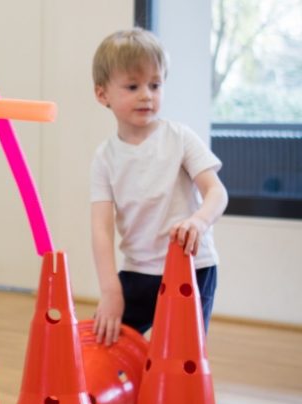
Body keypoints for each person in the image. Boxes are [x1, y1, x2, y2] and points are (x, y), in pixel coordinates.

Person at [89, 28, 229, 345]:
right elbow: (101, 228)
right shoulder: (104, 158)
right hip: (138, 272)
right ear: (102, 95)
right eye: (133, 86)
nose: (146, 95)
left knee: (181, 356)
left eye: (155, 85)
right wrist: (110, 291)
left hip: (193, 269)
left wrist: (199, 221)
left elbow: (216, 192)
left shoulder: (179, 137)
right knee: (104, 340)